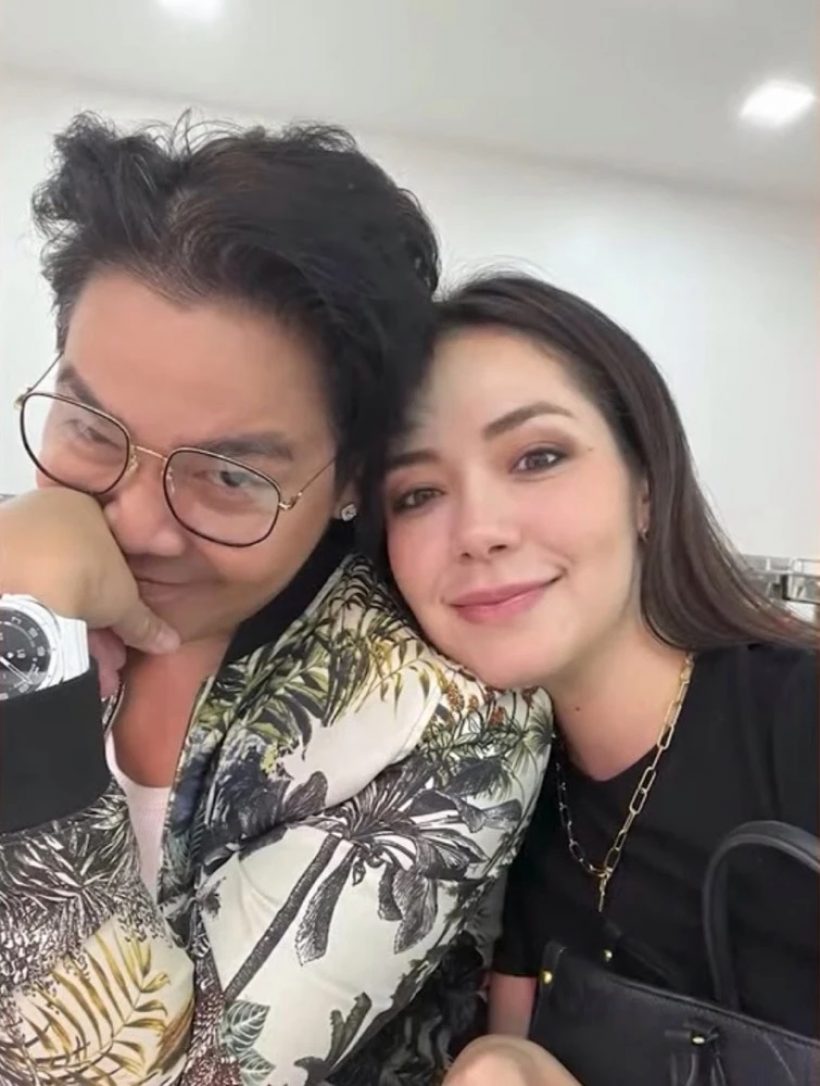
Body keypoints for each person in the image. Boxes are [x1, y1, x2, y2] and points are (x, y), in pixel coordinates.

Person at [0, 120, 551, 1086]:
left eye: (228, 476)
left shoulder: (443, 723)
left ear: (351, 481)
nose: (136, 524)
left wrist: (24, 654)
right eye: (89, 427)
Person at [383, 274, 819, 1085]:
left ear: (645, 485)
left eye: (537, 457)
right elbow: (522, 1048)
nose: (478, 530)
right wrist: (503, 1060)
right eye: (417, 493)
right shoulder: (492, 793)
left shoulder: (796, 719)